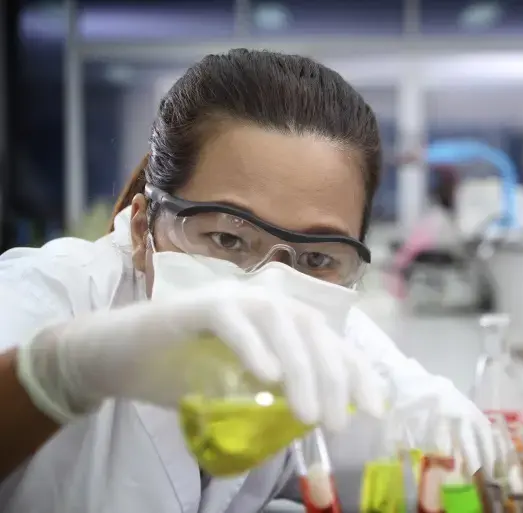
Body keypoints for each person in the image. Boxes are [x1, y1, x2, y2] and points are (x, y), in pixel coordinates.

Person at [0, 50, 495, 512]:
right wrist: (61, 374)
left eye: (318, 255)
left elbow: (449, 451)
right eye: (227, 239)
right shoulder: (48, 290)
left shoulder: (320, 328)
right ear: (140, 223)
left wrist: (475, 473)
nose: (271, 289)